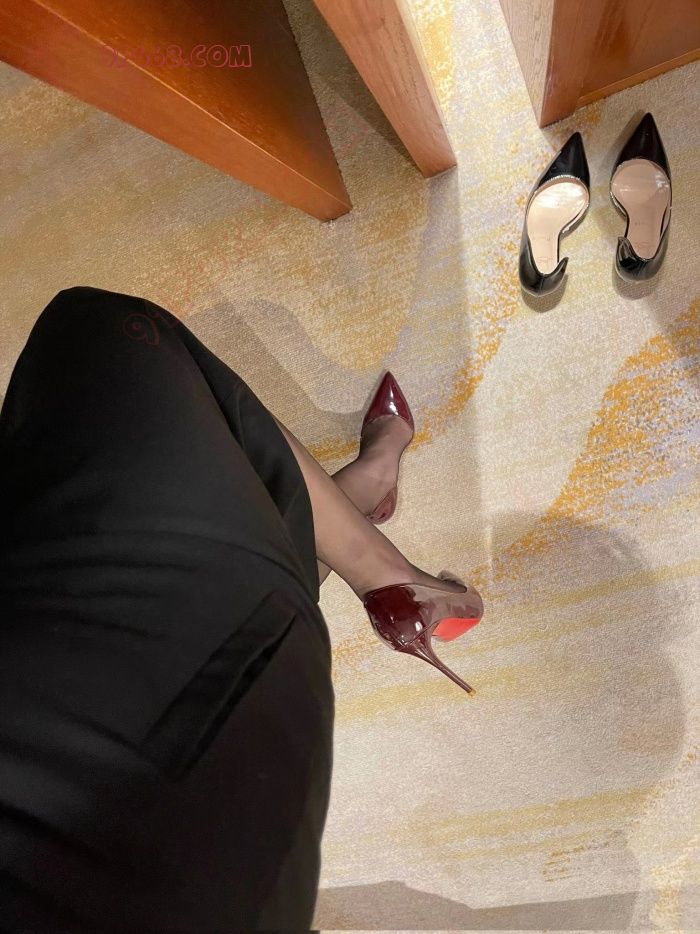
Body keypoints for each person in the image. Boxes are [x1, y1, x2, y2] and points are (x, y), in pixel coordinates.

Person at [0, 286, 483, 930]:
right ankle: (386, 575)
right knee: (102, 333)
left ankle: (362, 491)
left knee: (235, 567)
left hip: (249, 854)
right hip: (169, 728)